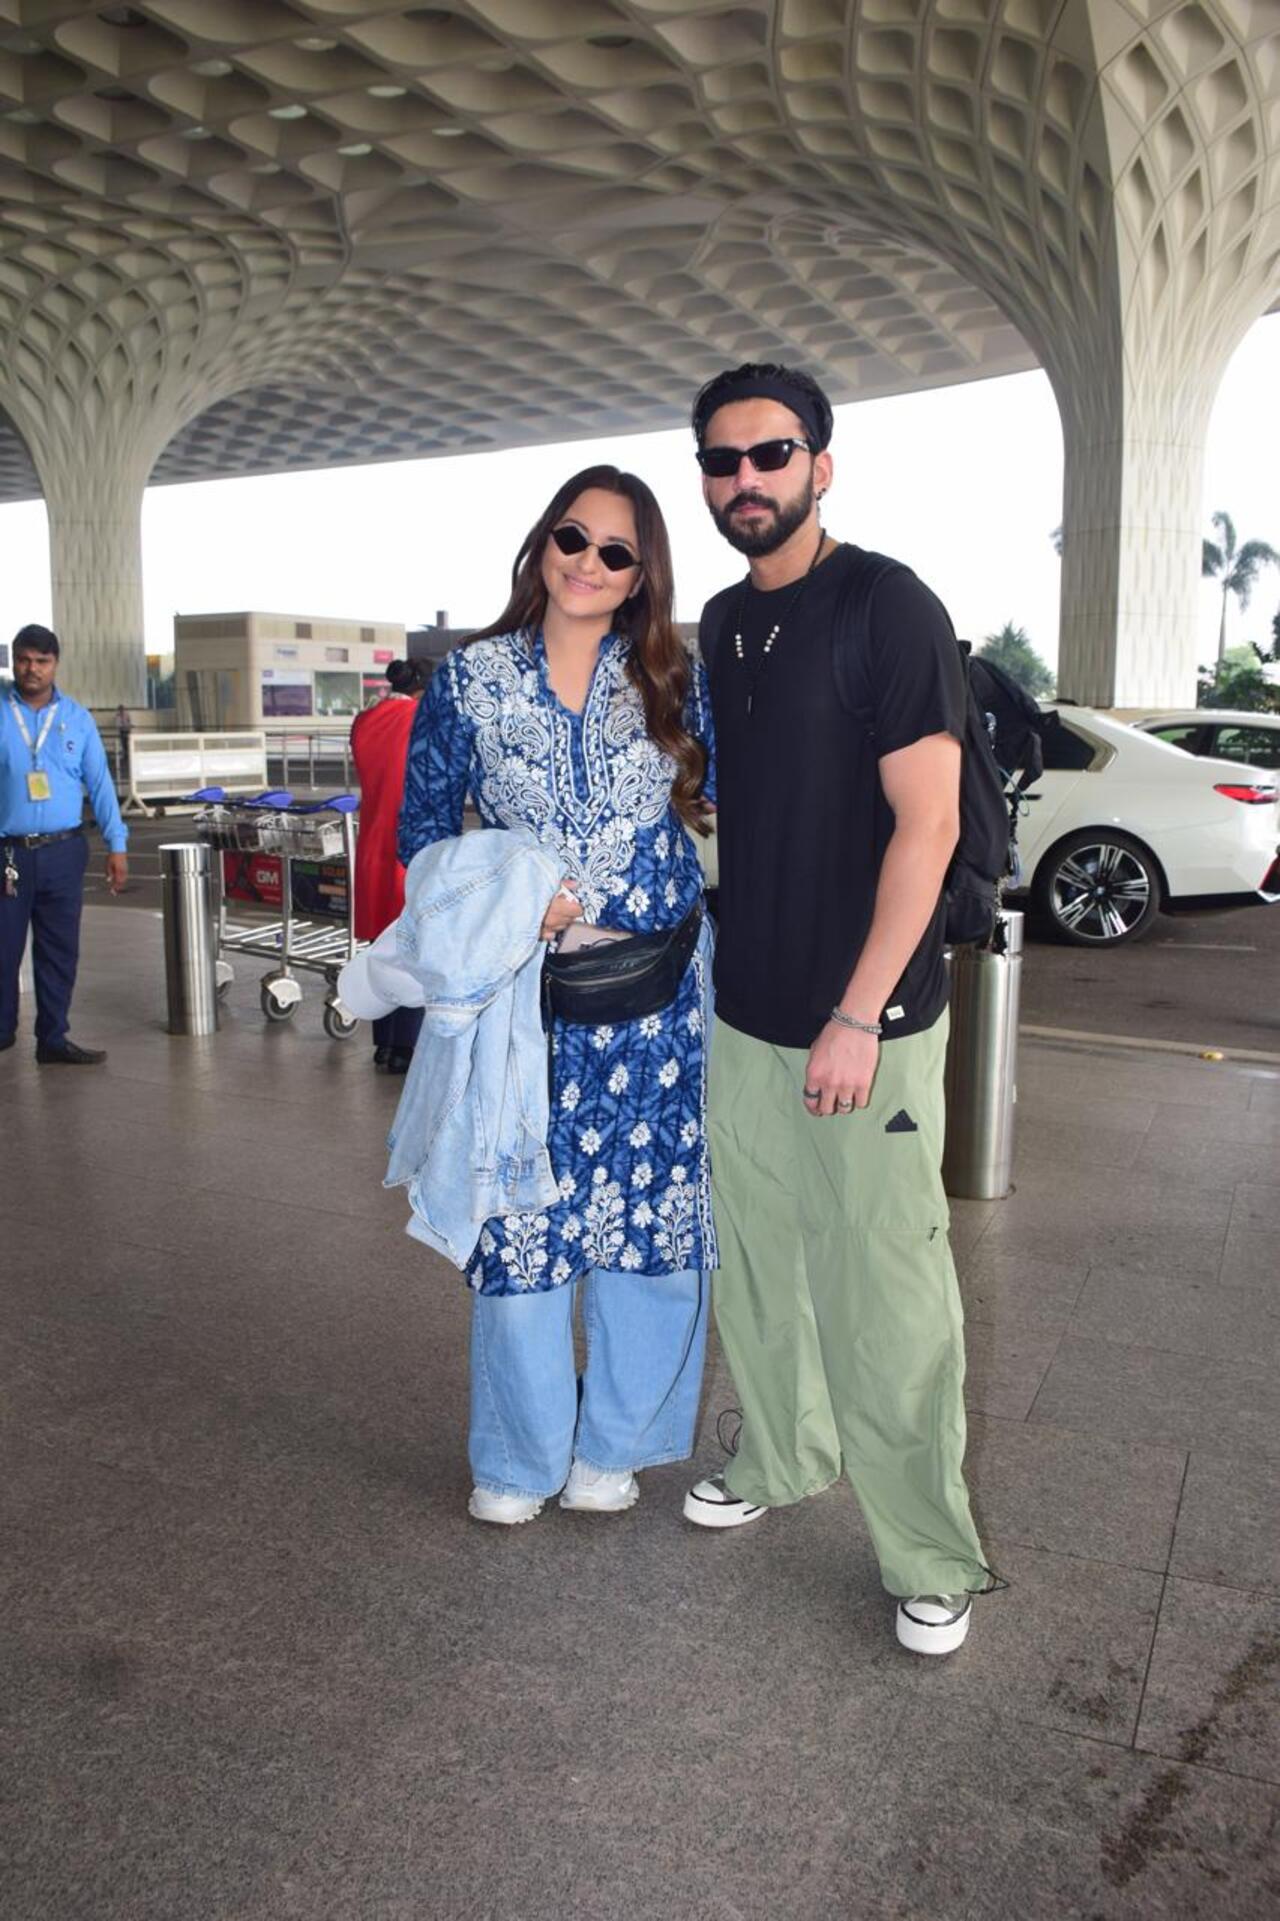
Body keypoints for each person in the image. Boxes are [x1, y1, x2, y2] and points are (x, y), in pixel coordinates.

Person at [683, 363, 995, 1656]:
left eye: (771, 454)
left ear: (823, 464)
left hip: (868, 1017)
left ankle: (929, 1546)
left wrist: (860, 1013)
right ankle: (782, 1456)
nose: (744, 480)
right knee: (758, 1264)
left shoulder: (885, 604)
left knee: (885, 1287)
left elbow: (926, 829)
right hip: (746, 1005)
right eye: (722, 460)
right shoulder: (717, 619)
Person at [398, 464, 716, 1526]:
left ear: (640, 576)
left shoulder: (675, 678)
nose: (587, 562)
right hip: (526, 1008)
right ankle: (517, 1453)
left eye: (614, 552)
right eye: (571, 537)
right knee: (522, 1224)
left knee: (650, 1226)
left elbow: (730, 799)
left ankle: (614, 1446)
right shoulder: (469, 681)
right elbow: (422, 844)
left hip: (661, 1009)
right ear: (542, 545)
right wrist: (509, 894)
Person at [1, 624, 128, 1064]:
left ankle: (52, 1038)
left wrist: (118, 843)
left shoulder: (76, 718)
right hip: (8, 853)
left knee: (59, 950)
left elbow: (101, 784)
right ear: (13, 659)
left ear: (55, 664)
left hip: (63, 850)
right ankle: (2, 1031)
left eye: (41, 661)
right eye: (24, 659)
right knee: (3, 948)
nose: (31, 669)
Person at [350, 659, 426, 1073]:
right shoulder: (418, 718)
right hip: (408, 848)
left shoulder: (364, 722)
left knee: (380, 949)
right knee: (411, 947)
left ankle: (383, 1044)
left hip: (371, 848)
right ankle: (407, 1046)